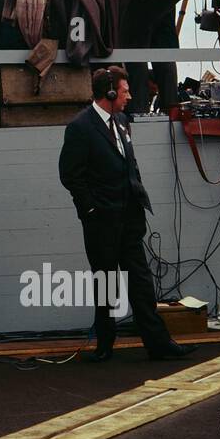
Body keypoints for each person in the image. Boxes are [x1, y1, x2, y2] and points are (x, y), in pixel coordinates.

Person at [58, 66, 198, 362]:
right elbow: (70, 175)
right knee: (105, 281)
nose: (130, 96)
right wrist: (91, 208)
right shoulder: (80, 128)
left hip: (130, 216)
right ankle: (105, 345)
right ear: (109, 93)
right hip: (101, 221)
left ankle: (158, 343)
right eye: (124, 91)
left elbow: (127, 164)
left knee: (141, 281)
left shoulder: (121, 121)